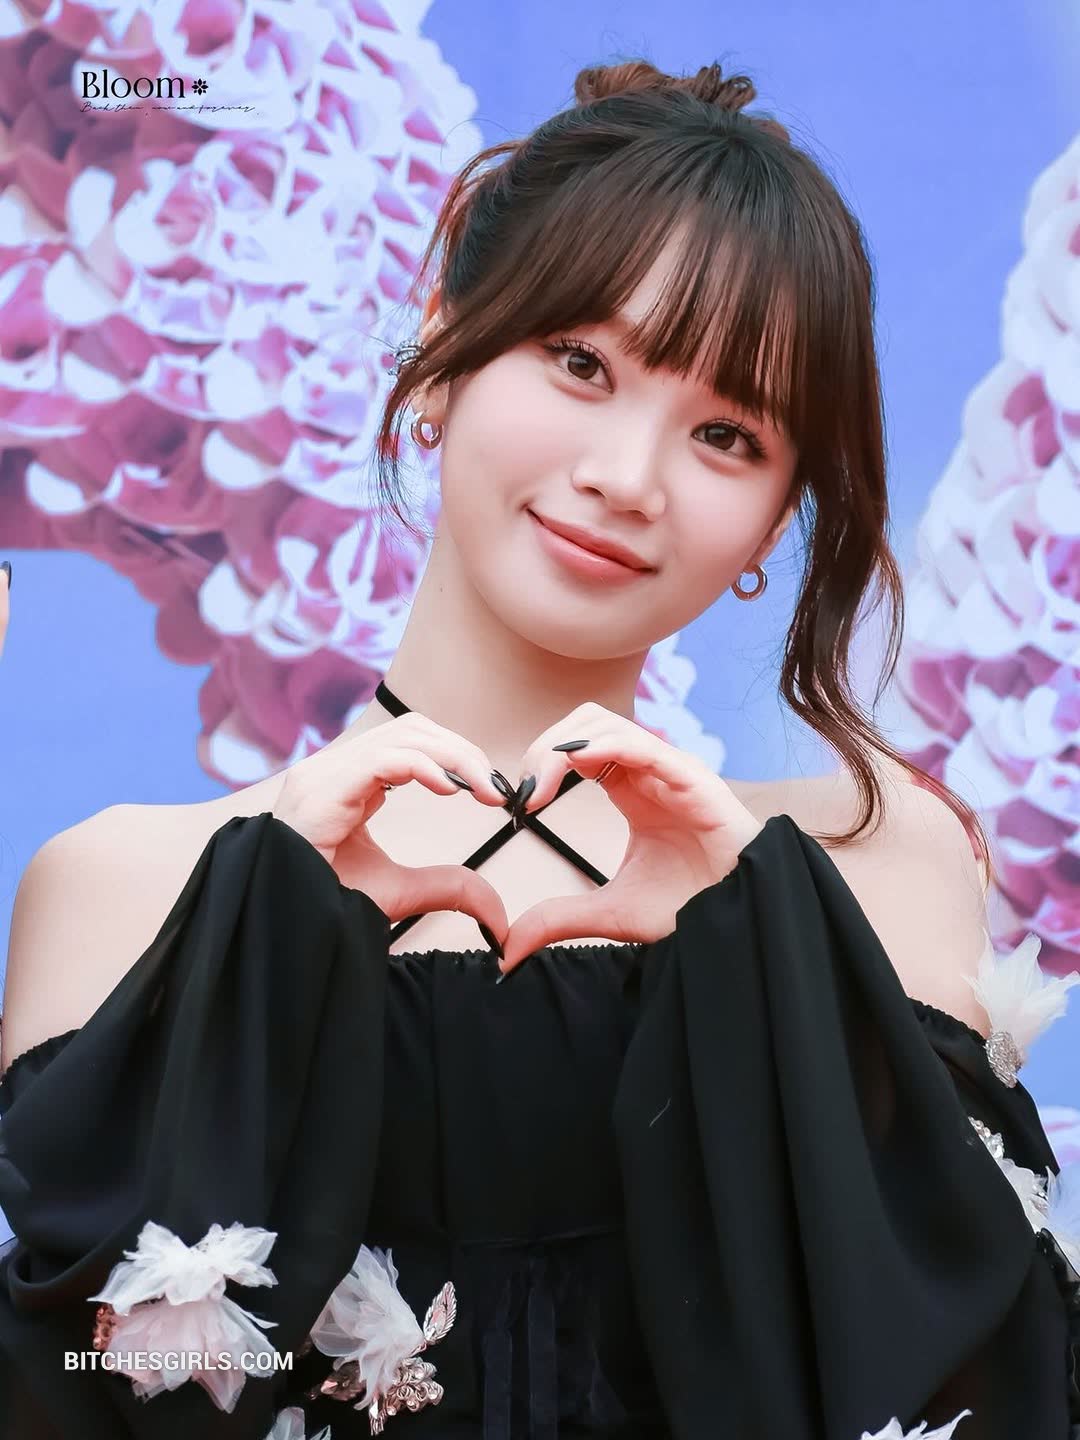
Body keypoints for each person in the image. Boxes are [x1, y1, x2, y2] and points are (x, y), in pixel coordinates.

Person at [0, 57, 1077, 1440]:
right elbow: (79, 1395)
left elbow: (994, 1393)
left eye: (726, 434)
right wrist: (260, 971)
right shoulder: (127, 887)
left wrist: (766, 980)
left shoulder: (874, 865)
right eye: (581, 364)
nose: (626, 477)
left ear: (777, 519)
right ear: (447, 338)